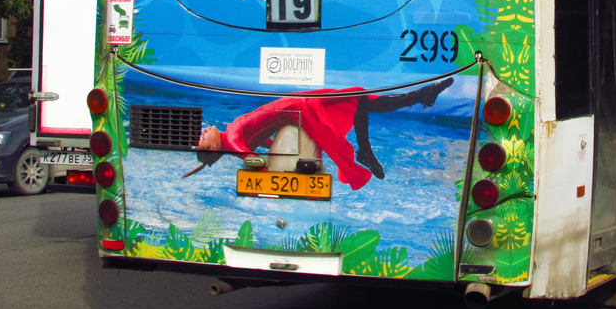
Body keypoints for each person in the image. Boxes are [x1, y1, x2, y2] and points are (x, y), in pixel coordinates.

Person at [184, 77, 453, 190]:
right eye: (201, 140)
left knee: (363, 100)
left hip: (292, 105)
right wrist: (268, 172)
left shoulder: (232, 139)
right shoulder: (231, 140)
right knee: (359, 96)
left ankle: (420, 95)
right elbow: (250, 157)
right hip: (296, 109)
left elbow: (263, 139)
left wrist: (272, 150)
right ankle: (365, 149)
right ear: (211, 148)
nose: (203, 133)